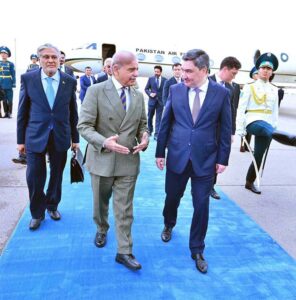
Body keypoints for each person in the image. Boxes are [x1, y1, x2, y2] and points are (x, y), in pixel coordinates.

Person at [156, 49, 232, 273]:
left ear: (204, 71)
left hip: (206, 160)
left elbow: (226, 128)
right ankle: (169, 223)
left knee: (202, 204)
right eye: (183, 70)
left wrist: (223, 158)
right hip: (178, 156)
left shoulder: (221, 93)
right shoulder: (175, 90)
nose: (184, 75)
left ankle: (197, 248)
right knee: (172, 197)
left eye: (189, 71)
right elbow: (165, 123)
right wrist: (160, 152)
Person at [78, 50, 149, 271]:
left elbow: (143, 125)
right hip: (102, 159)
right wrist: (104, 142)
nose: (136, 74)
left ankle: (124, 251)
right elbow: (84, 126)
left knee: (125, 208)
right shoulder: (96, 91)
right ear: (116, 70)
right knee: (100, 204)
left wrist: (145, 137)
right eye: (132, 69)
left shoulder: (138, 95)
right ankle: (101, 227)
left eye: (137, 69)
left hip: (128, 161)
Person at [17, 43, 79, 230]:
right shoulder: (28, 79)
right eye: (46, 57)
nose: (51, 60)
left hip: (60, 135)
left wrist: (75, 138)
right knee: (34, 176)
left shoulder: (69, 81)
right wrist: (20, 141)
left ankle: (52, 205)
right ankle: (37, 213)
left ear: (60, 59)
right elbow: (22, 112)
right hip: (35, 135)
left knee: (57, 174)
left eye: (54, 57)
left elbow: (73, 112)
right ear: (40, 59)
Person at [236, 52, 296, 195]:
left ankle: (249, 182)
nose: (266, 71)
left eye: (269, 69)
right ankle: (291, 139)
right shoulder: (249, 87)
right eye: (263, 68)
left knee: (259, 155)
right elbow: (241, 109)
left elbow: (275, 111)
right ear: (258, 70)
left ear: (272, 72)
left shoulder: (274, 89)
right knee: (266, 128)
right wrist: (240, 129)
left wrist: (274, 126)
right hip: (253, 122)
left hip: (269, 127)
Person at [209, 56, 241, 199]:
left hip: (221, 130)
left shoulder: (232, 88)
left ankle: (211, 187)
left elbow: (232, 110)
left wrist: (232, 132)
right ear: (225, 69)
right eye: (233, 73)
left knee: (217, 157)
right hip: (206, 129)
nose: (234, 77)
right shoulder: (207, 81)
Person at [145, 65, 167, 140]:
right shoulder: (150, 79)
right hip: (152, 101)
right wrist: (150, 93)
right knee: (150, 117)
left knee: (159, 118)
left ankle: (156, 134)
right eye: (155, 71)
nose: (156, 73)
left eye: (157, 72)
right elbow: (146, 89)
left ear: (161, 72)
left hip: (160, 102)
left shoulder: (165, 80)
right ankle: (150, 130)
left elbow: (166, 91)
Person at [240, 67, 258, 152]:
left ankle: (247, 146)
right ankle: (243, 145)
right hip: (247, 110)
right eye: (256, 74)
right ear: (252, 76)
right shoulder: (248, 86)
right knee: (245, 129)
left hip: (255, 112)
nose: (258, 75)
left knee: (250, 130)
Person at [0, 46, 16, 118]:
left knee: (9, 98)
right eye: (2, 53)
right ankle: (5, 113)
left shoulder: (11, 64)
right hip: (1, 83)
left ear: (7, 55)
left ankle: (9, 113)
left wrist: (14, 83)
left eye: (5, 53)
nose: (3, 55)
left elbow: (13, 74)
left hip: (8, 83)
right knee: (3, 99)